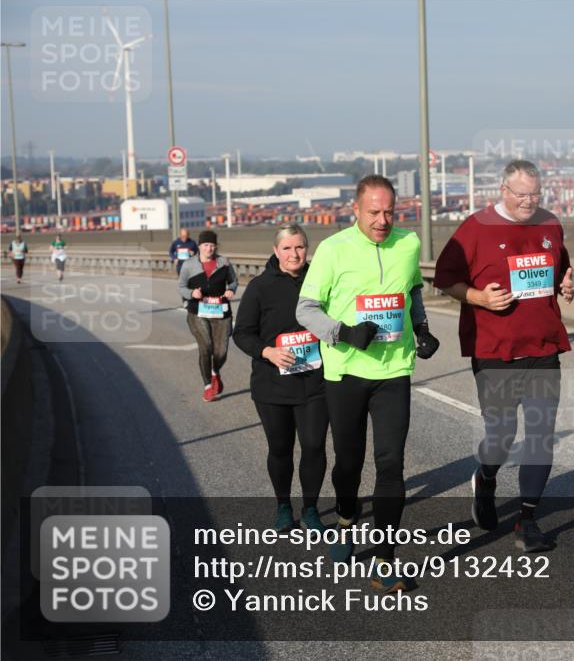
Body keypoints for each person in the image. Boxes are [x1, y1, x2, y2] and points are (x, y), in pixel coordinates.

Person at [297, 175, 439, 593]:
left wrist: (422, 327)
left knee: (391, 464)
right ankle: (344, 519)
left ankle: (384, 559)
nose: (382, 220)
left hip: (394, 369)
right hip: (345, 372)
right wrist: (342, 332)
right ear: (355, 210)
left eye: (389, 212)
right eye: (373, 212)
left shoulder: (408, 244)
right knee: (348, 464)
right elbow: (306, 309)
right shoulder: (333, 249)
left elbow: (412, 290)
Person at [434, 159, 574, 553]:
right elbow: (444, 278)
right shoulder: (476, 228)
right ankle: (487, 474)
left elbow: (561, 268)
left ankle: (527, 520)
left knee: (541, 436)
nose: (529, 201)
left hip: (544, 346)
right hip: (494, 348)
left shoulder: (549, 224)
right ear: (503, 191)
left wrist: (567, 284)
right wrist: (478, 297)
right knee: (502, 434)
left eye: (535, 194)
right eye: (521, 195)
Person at [234, 225, 329, 532]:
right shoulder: (260, 287)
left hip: (315, 382)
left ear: (307, 249)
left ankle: (311, 509)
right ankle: (283, 506)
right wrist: (267, 352)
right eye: (287, 248)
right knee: (280, 448)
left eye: (299, 247)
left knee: (314, 446)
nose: (294, 254)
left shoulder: (320, 281)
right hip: (272, 384)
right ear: (276, 252)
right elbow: (242, 333)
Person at [178, 230, 238, 402]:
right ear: (199, 246)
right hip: (198, 311)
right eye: (206, 245)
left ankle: (215, 371)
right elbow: (181, 287)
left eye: (212, 245)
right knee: (206, 347)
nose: (209, 248)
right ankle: (207, 386)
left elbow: (233, 281)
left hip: (221, 312)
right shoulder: (189, 265)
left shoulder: (224, 262)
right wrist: (191, 293)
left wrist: (230, 290)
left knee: (221, 352)